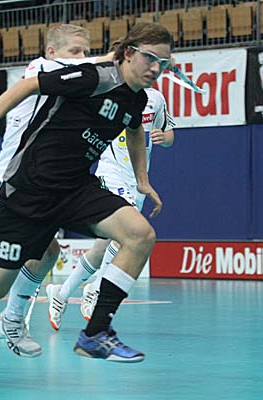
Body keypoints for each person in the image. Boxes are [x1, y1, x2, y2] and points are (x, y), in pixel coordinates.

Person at [0, 22, 173, 380]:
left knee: (139, 234)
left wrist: (142, 180)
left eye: (163, 63)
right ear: (130, 53)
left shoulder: (137, 97)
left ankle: (96, 333)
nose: (156, 69)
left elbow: (134, 129)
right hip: (30, 192)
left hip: (75, 189)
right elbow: (28, 86)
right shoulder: (95, 77)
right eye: (150, 59)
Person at [0, 23, 109, 367]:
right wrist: (121, 57)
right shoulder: (40, 69)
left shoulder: (72, 83)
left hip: (36, 186)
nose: (82, 58)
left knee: (44, 254)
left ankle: (5, 320)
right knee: (1, 275)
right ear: (52, 53)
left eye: (85, 52)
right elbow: (91, 70)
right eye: (75, 51)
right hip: (6, 184)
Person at [45, 86, 175, 330]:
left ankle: (61, 293)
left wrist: (162, 137)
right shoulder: (112, 92)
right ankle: (96, 289)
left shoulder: (155, 99)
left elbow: (169, 135)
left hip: (137, 179)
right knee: (125, 235)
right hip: (110, 172)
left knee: (103, 246)